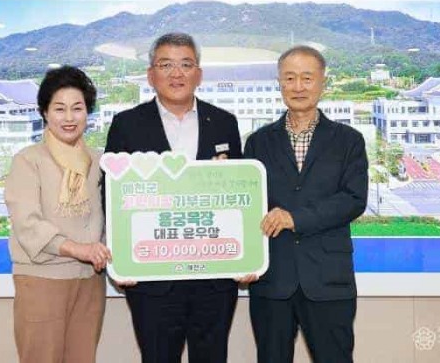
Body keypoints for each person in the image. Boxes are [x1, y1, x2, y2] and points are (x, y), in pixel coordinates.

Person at [104, 32, 242, 363]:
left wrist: (245, 256)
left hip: (214, 280)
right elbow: (110, 194)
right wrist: (120, 257)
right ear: (151, 75)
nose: (176, 74)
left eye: (186, 65)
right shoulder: (127, 125)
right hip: (153, 282)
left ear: (199, 74)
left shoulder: (224, 123)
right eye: (166, 65)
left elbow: (240, 196)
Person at [244, 46, 369, 363]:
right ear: (279, 83)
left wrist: (294, 218)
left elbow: (353, 200)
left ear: (322, 82)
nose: (298, 86)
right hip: (272, 281)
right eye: (289, 78)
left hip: (328, 280)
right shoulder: (258, 141)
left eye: (307, 78)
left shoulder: (348, 140)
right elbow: (247, 204)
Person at [5, 65, 112, 363]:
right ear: (45, 113)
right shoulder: (28, 160)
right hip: (42, 280)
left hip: (89, 280)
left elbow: (112, 216)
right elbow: (27, 224)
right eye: (59, 108)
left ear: (87, 113)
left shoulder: (100, 161)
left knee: (83, 357)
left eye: (77, 108)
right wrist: (78, 249)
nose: (69, 117)